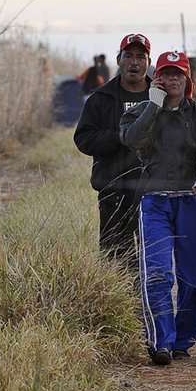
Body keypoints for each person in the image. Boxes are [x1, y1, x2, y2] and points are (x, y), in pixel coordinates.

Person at [121, 50, 196, 366]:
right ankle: (160, 343)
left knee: (192, 277)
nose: (172, 79)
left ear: (187, 79)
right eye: (165, 73)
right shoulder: (140, 112)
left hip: (193, 203)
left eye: (178, 73)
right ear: (158, 79)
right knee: (157, 273)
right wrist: (153, 105)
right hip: (155, 203)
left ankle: (183, 341)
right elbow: (133, 141)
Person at [74, 33, 152, 266]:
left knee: (153, 259)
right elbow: (83, 139)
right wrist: (118, 137)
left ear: (148, 62)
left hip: (153, 192)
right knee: (114, 261)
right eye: (128, 55)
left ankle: (149, 302)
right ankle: (118, 302)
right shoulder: (101, 98)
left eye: (141, 56)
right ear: (119, 60)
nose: (134, 62)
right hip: (113, 190)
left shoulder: (160, 97)